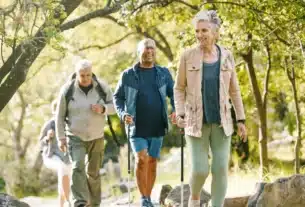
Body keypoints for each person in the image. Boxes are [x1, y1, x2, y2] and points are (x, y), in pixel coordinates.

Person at [174, 10, 247, 207]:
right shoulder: (187, 56)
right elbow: (179, 88)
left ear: (215, 31)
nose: (200, 35)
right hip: (195, 122)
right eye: (197, 31)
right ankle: (195, 197)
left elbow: (235, 91)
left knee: (220, 168)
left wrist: (241, 120)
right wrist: (180, 112)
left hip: (222, 122)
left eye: (204, 30)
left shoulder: (227, 56)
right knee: (200, 170)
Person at [113, 38, 176, 207]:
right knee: (142, 159)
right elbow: (117, 97)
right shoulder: (128, 75)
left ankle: (148, 196)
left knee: (152, 162)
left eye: (152, 48)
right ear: (139, 52)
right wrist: (122, 113)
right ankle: (144, 199)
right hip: (135, 126)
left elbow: (174, 93)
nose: (149, 51)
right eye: (146, 48)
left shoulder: (163, 73)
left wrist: (177, 111)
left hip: (157, 125)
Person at [55, 59, 115, 207]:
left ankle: (94, 203)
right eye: (82, 75)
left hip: (97, 136)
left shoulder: (102, 87)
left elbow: (115, 107)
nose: (86, 78)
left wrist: (103, 109)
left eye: (88, 75)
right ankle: (80, 203)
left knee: (93, 173)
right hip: (75, 136)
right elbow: (59, 116)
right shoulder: (67, 90)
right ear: (77, 74)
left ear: (92, 72)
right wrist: (61, 138)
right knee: (77, 167)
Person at [39, 100, 71, 207]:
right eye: (57, 110)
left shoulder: (68, 123)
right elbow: (40, 142)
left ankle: (62, 204)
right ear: (53, 111)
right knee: (62, 169)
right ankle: (68, 201)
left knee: (65, 179)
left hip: (67, 157)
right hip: (51, 156)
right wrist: (48, 137)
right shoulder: (50, 124)